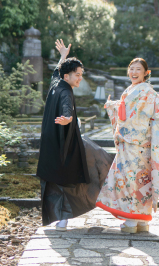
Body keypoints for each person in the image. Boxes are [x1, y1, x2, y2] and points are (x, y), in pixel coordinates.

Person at [96, 57, 159, 233]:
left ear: (146, 73)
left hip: (136, 143)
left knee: (132, 180)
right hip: (132, 143)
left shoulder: (149, 92)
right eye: (131, 69)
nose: (134, 72)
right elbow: (125, 109)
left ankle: (131, 221)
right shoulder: (132, 89)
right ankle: (141, 221)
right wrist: (112, 105)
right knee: (140, 180)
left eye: (138, 70)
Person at [36, 39, 113, 230]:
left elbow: (57, 70)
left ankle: (58, 218)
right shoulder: (66, 92)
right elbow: (67, 108)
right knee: (74, 178)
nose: (80, 78)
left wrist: (63, 56)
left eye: (81, 75)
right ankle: (65, 216)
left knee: (54, 180)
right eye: (77, 75)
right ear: (67, 76)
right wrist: (68, 119)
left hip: (49, 144)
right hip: (65, 145)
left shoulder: (56, 82)